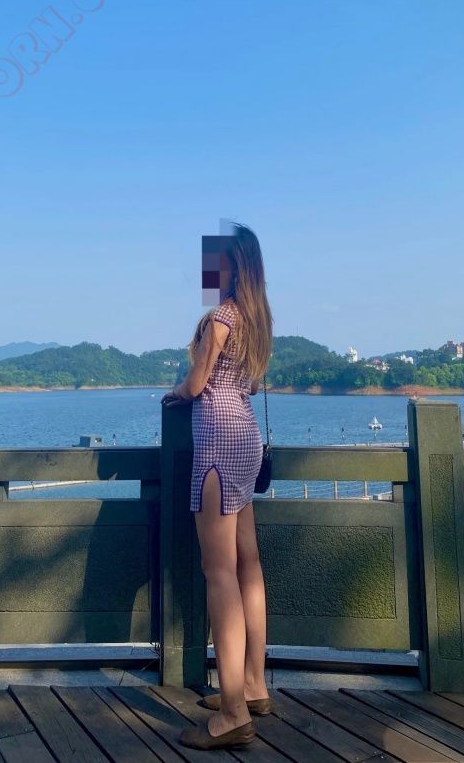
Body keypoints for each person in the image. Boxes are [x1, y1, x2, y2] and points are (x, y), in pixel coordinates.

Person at [162, 222, 274, 750]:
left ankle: (232, 713)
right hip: (246, 438)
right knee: (248, 564)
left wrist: (176, 392)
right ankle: (253, 685)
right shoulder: (258, 319)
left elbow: (196, 384)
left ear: (231, 266)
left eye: (216, 261)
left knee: (219, 572)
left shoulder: (223, 317)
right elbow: (246, 383)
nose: (210, 270)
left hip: (218, 443)